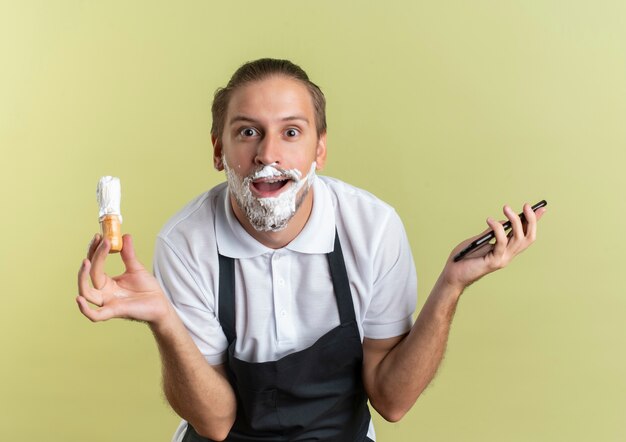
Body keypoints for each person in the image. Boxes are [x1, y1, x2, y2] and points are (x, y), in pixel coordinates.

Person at [76, 58, 546, 442]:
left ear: (320, 150)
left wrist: (451, 286)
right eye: (247, 132)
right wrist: (164, 321)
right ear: (218, 150)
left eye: (292, 133)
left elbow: (391, 400)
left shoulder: (372, 228)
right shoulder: (185, 242)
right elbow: (214, 422)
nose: (268, 154)